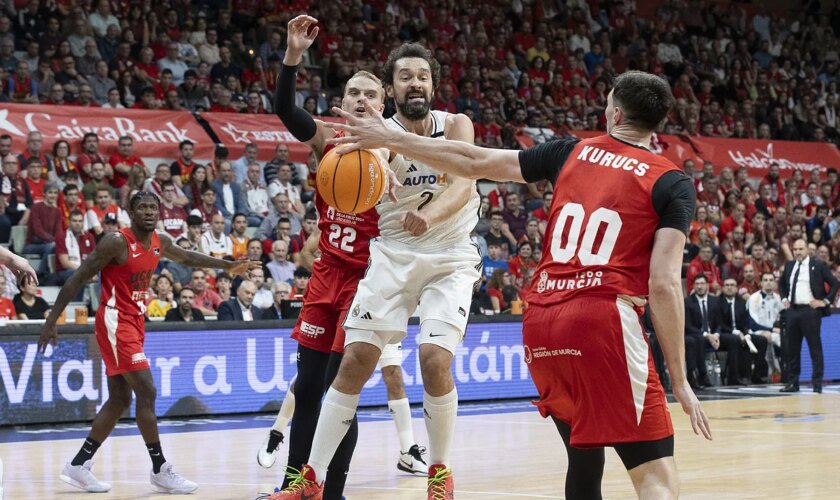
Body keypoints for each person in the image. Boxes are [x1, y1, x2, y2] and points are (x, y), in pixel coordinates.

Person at [324, 70, 712, 499]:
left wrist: (391, 138)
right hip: (603, 318)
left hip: (543, 322)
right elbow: (662, 284)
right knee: (654, 473)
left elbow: (471, 161)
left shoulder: (570, 151)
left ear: (614, 113)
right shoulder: (671, 181)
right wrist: (680, 378)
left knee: (584, 460)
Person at [271, 33, 485, 499]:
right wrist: (372, 160)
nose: (415, 83)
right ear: (394, 86)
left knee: (433, 360)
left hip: (448, 257)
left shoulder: (456, 124)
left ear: (433, 84)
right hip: (390, 255)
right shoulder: (375, 135)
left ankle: (439, 470)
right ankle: (310, 478)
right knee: (353, 364)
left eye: (422, 76)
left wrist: (426, 215)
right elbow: (370, 151)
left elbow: (465, 181)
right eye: (405, 76)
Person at [265, 15, 424, 500]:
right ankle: (295, 486)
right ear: (343, 101)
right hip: (326, 275)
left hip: (367, 282)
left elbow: (429, 194)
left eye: (370, 94)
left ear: (385, 103)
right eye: (354, 92)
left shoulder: (397, 149)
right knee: (307, 388)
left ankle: (332, 491)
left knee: (341, 394)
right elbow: (286, 110)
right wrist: (293, 56)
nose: (361, 99)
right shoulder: (328, 140)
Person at [37, 191, 258, 494]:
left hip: (135, 321)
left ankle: (78, 464)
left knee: (120, 399)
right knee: (147, 389)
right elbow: (78, 277)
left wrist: (228, 266)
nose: (149, 212)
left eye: (153, 207)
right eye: (142, 207)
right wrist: (51, 322)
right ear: (130, 211)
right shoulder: (116, 242)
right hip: (115, 321)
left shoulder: (160, 241)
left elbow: (188, 257)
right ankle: (160, 468)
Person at [778, 239, 839, 393]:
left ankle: (817, 383)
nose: (797, 252)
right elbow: (782, 284)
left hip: (810, 312)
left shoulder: (817, 265)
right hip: (793, 310)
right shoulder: (790, 265)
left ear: (807, 249)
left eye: (800, 249)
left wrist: (824, 301)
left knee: (814, 349)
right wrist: (785, 299)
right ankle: (793, 382)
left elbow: (834, 283)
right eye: (795, 249)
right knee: (792, 348)